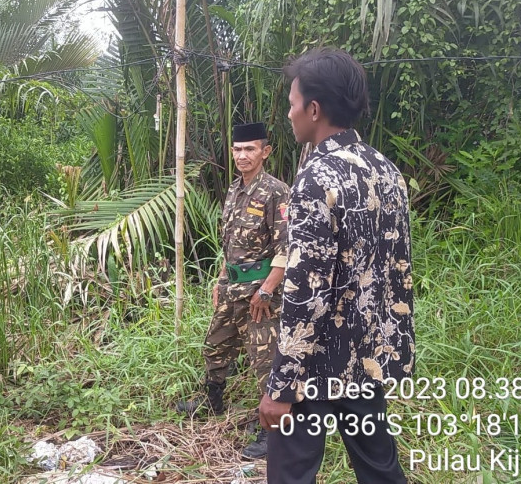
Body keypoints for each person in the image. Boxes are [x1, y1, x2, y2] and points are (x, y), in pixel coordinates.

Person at [259, 48, 414, 483]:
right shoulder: (386, 170)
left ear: (314, 109)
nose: (289, 115)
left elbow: (306, 291)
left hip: (316, 363)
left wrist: (282, 385)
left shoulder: (315, 179)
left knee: (291, 472)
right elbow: (396, 271)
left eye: (292, 104)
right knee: (380, 468)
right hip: (367, 358)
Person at [177, 122, 290, 460]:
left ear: (265, 152)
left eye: (250, 149)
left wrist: (268, 290)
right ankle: (212, 400)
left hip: (260, 294)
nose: (242, 155)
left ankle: (271, 432)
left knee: (264, 361)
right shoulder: (234, 189)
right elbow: (231, 244)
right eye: (238, 149)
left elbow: (287, 248)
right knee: (216, 345)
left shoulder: (277, 192)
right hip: (232, 286)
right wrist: (221, 279)